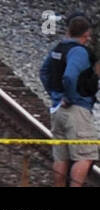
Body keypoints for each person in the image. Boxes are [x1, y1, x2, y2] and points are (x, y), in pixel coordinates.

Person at [39, 16, 98, 187]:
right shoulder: (78, 51)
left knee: (62, 156)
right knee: (85, 155)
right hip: (76, 109)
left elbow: (44, 72)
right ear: (86, 35)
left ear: (69, 31)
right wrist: (70, 97)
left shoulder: (59, 48)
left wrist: (55, 95)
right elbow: (69, 77)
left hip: (58, 109)